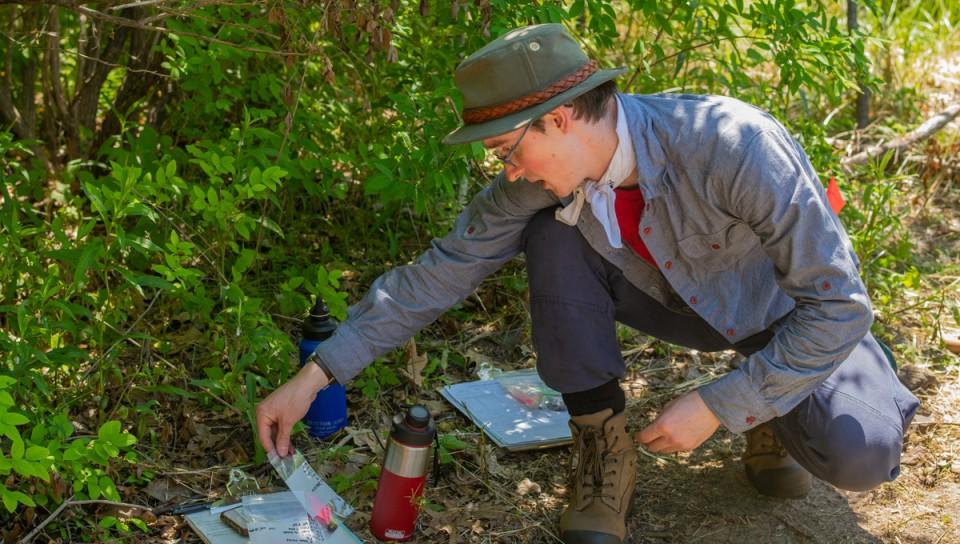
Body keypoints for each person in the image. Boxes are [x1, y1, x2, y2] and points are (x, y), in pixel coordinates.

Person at [257, 24, 920, 543]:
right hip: (671, 307)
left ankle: (777, 405)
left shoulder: (730, 144)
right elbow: (436, 274)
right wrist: (318, 375)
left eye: (508, 149)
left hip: (781, 315)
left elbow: (838, 303)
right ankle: (602, 445)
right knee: (552, 230)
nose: (510, 172)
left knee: (859, 453)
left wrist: (722, 403)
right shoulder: (532, 185)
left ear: (563, 115)